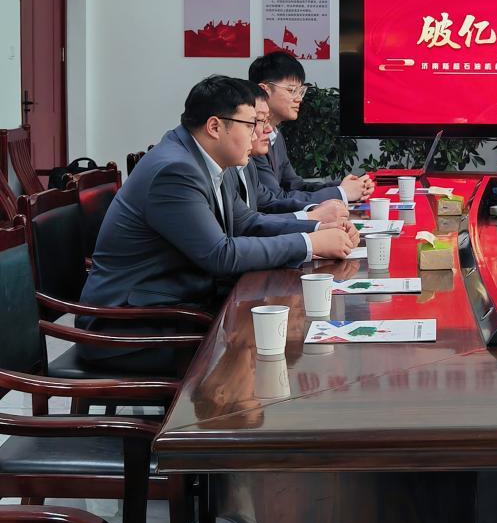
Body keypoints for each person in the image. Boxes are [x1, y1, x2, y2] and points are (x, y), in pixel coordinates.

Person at [78, 76, 359, 374]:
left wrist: (317, 231)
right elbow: (219, 254)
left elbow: (246, 223)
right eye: (250, 124)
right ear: (214, 126)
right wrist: (310, 245)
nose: (258, 134)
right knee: (258, 342)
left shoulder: (206, 159)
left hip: (172, 306)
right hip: (128, 327)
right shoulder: (175, 170)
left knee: (269, 325)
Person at [248, 52, 374, 206]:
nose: (299, 99)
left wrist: (345, 187)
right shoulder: (253, 138)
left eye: (301, 92)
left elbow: (294, 186)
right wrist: (341, 192)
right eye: (292, 90)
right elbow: (275, 199)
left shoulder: (275, 134)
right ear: (264, 90)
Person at [231, 86, 349, 223]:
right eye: (291, 90)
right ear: (215, 127)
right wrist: (314, 216)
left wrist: (314, 209)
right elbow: (248, 224)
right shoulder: (228, 168)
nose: (268, 130)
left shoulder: (249, 162)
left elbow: (270, 202)